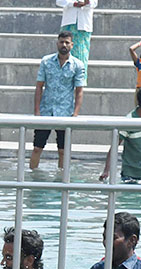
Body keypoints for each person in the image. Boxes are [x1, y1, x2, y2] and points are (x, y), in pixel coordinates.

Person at [31, 31, 86, 171]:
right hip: (46, 111)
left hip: (65, 113)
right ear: (57, 43)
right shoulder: (46, 61)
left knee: (63, 150)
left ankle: (61, 179)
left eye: (67, 42)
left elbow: (79, 91)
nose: (64, 45)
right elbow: (39, 86)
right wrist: (37, 111)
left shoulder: (78, 65)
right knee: (37, 147)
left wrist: (75, 114)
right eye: (61, 42)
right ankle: (31, 176)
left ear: (72, 45)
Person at [57, 0, 97, 64]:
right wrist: (73, 4)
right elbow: (59, 1)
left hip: (84, 25)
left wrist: (87, 3)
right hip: (69, 22)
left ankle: (81, 73)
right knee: (65, 53)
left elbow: (94, 3)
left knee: (82, 55)